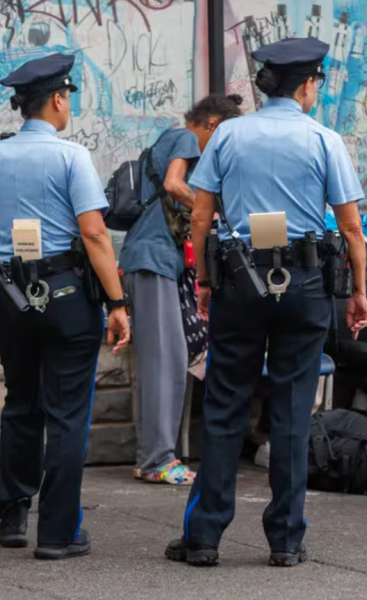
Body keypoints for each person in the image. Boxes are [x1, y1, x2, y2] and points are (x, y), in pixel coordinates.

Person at [165, 37, 367, 567]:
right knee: (293, 411)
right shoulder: (325, 140)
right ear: (306, 85)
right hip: (303, 285)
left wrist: (205, 281)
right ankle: (285, 540)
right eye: (317, 83)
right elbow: (350, 227)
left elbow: (203, 216)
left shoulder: (229, 134)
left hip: (239, 282)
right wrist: (359, 292)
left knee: (224, 404)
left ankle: (205, 537)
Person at [0, 53, 130, 559]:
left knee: (21, 404)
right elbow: (94, 233)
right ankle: (58, 533)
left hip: (9, 299)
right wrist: (117, 302)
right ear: (57, 99)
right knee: (69, 414)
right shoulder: (71, 156)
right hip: (66, 296)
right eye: (68, 97)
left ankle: (11, 515)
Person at [118, 94, 244, 486]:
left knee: (168, 359)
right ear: (209, 123)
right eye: (220, 134)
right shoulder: (186, 139)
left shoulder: (172, 140)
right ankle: (157, 460)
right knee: (165, 362)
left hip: (156, 261)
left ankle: (153, 457)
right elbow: (174, 184)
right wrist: (211, 211)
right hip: (151, 259)